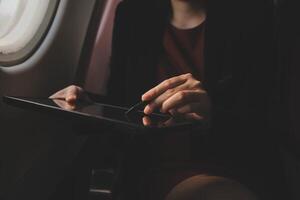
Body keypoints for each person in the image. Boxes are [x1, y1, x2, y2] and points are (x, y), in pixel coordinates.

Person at [51, 0, 286, 199]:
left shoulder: (252, 14)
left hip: (228, 162)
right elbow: (123, 103)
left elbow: (264, 119)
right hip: (153, 163)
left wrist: (212, 111)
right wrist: (84, 102)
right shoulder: (133, 13)